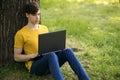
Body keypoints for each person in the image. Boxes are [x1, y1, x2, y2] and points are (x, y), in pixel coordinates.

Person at [14, 2, 90, 80]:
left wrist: (58, 47)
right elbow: (16, 57)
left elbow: (49, 47)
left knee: (68, 51)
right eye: (34, 15)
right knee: (51, 55)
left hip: (51, 61)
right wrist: (32, 55)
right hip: (36, 65)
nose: (37, 18)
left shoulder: (44, 28)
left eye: (39, 14)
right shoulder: (21, 34)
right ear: (27, 15)